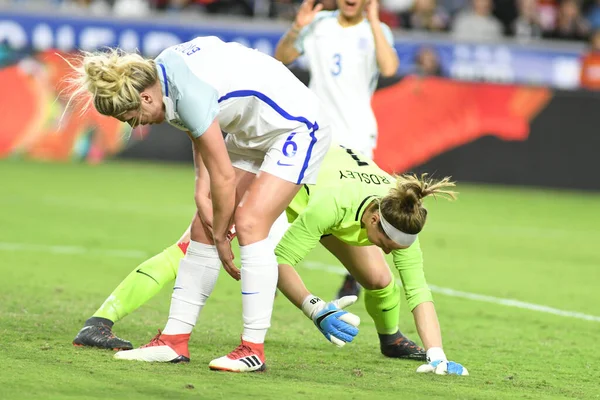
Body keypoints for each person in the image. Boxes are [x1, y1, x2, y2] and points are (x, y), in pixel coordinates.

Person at [68, 35, 332, 372]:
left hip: (296, 126)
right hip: (251, 129)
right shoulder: (161, 75)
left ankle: (253, 350)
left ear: (146, 96)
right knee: (200, 229)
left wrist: (223, 236)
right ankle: (172, 341)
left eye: (132, 117)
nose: (136, 125)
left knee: (250, 224)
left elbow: (221, 174)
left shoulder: (183, 90)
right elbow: (199, 131)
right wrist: (199, 191)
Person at [103, 145, 466, 374]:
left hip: (338, 205)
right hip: (288, 190)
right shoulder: (332, 204)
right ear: (374, 219)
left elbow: (417, 291)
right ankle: (103, 318)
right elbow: (278, 260)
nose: (390, 249)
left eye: (398, 247)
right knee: (200, 245)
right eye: (386, 242)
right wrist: (315, 308)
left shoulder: (400, 216)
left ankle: (391, 340)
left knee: (380, 279)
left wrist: (437, 354)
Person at [274, 0, 400, 299]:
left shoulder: (377, 30)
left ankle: (355, 274)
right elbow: (283, 57)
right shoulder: (319, 23)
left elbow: (390, 67)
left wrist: (373, 21)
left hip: (357, 133)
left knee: (360, 207)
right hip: (317, 130)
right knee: (290, 194)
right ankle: (276, 264)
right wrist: (297, 28)